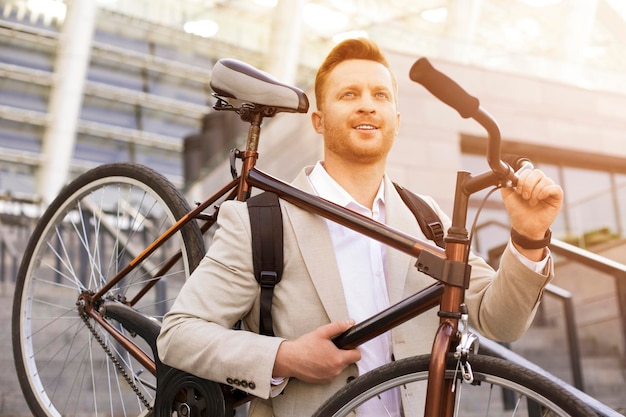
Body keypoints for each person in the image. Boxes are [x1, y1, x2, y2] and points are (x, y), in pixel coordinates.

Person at [157, 38, 562, 417]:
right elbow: (179, 334)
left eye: (380, 95)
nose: (368, 106)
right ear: (318, 120)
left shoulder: (427, 218)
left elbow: (501, 322)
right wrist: (284, 356)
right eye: (349, 94)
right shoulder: (262, 221)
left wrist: (528, 239)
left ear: (396, 121)